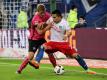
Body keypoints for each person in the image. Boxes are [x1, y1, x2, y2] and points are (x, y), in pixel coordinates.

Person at [42, 10, 96, 74]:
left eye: (54, 17)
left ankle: (87, 70)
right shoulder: (50, 19)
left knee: (76, 55)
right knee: (45, 47)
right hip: (53, 42)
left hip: (62, 43)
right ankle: (55, 67)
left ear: (59, 17)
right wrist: (43, 26)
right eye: (52, 17)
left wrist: (66, 35)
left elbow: (69, 31)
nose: (53, 19)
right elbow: (44, 25)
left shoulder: (65, 23)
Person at [16, 4, 52, 74]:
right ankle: (19, 69)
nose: (43, 14)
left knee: (50, 52)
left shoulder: (47, 15)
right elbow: (40, 32)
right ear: (37, 12)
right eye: (41, 13)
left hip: (41, 39)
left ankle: (55, 66)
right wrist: (48, 26)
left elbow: (52, 20)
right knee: (30, 57)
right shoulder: (35, 19)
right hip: (34, 40)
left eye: (44, 12)